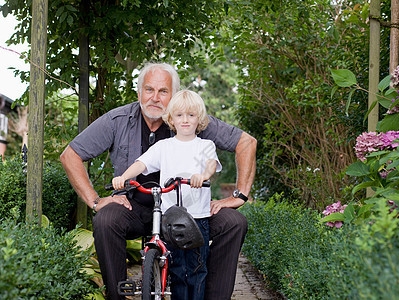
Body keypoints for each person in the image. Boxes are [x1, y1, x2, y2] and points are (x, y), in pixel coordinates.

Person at [60, 62, 257, 300]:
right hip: (135, 207)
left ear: (174, 96)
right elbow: (70, 155)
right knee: (106, 220)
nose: (155, 97)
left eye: (163, 91)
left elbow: (246, 143)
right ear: (139, 92)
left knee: (234, 222)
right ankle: (117, 296)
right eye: (149, 89)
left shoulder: (188, 117)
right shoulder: (117, 120)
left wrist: (239, 196)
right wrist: (94, 201)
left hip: (188, 210)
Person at [112, 89, 221, 299]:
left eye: (191, 115)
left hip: (197, 218)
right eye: (179, 115)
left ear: (200, 119)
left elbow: (210, 166)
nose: (185, 120)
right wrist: (123, 179)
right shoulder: (164, 147)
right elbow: (141, 163)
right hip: (171, 219)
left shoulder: (205, 145)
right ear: (171, 119)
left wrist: (203, 176)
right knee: (177, 270)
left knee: (197, 271)